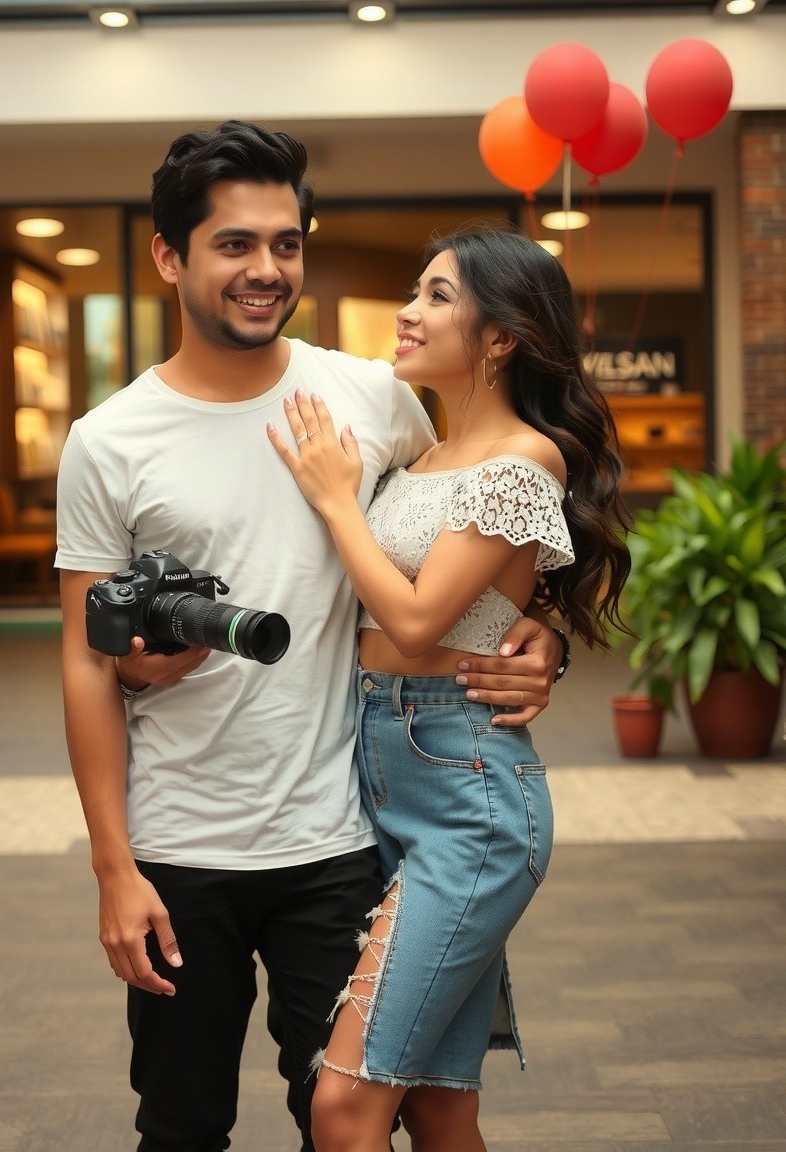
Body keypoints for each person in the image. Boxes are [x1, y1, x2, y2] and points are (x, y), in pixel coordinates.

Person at [55, 121, 565, 1152]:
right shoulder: (109, 441)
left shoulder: (371, 396)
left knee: (344, 1116)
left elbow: (467, 523)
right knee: (181, 1122)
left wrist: (533, 633)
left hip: (343, 831)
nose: (265, 268)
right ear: (170, 255)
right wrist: (114, 866)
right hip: (178, 845)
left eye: (285, 243)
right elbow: (82, 657)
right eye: (234, 244)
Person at [268, 227, 630, 1152]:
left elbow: (422, 621)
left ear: (501, 336)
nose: (408, 310)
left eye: (436, 295)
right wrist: (542, 633)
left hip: (468, 792)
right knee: (437, 1106)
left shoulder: (523, 462)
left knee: (344, 1110)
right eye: (415, 291)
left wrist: (337, 499)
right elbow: (485, 609)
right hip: (378, 771)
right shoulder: (420, 454)